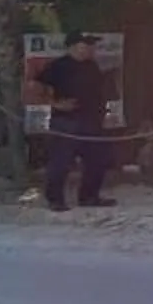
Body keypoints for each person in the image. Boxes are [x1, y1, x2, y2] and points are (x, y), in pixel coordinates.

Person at [40, 33, 114, 210]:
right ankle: (55, 200)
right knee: (61, 162)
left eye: (92, 45)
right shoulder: (57, 66)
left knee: (97, 160)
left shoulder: (92, 66)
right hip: (66, 121)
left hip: (92, 121)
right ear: (73, 46)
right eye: (86, 45)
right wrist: (55, 104)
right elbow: (35, 88)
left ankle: (89, 197)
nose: (91, 49)